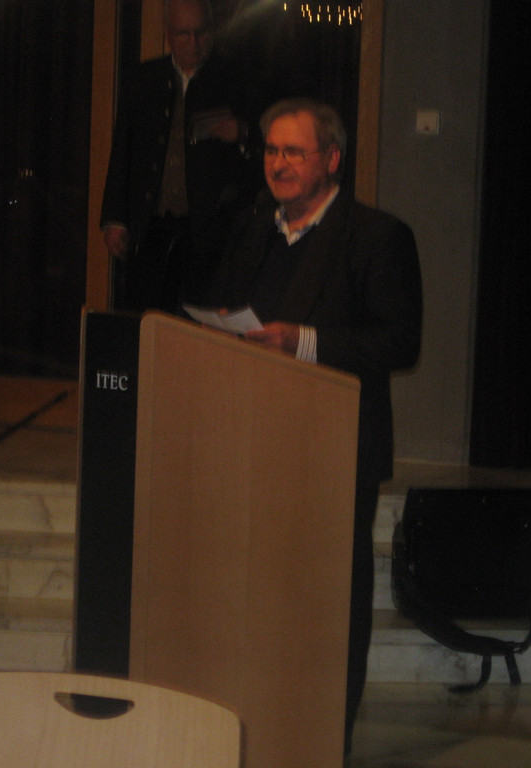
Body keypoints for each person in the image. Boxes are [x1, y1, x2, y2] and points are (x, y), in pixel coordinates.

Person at [209, 97, 423, 755]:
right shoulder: (253, 229)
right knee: (257, 596)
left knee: (329, 601)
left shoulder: (377, 236)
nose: (278, 164)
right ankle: (259, 724)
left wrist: (302, 342)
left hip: (335, 447)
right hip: (254, 440)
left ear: (331, 159)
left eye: (293, 152)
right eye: (271, 151)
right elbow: (228, 306)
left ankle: (326, 738)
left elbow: (400, 342)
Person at [100, 0, 259, 314]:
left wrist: (242, 132)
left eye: (201, 32)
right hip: (152, 223)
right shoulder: (144, 79)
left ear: (212, 31)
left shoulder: (235, 78)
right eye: (184, 34)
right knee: (148, 313)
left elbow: (262, 148)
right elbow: (123, 149)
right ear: (168, 34)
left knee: (199, 317)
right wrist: (115, 218)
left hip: (211, 231)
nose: (194, 42)